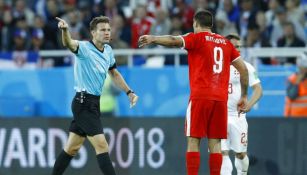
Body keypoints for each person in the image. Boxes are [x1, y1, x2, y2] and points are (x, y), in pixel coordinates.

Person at [138, 10, 249, 175]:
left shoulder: (196, 38)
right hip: (220, 99)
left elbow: (174, 40)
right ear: (211, 25)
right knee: (216, 143)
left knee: (193, 140)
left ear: (196, 24)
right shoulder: (226, 43)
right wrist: (244, 96)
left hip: (200, 97)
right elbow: (244, 70)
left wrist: (154, 38)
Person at [52, 16, 138, 175]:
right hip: (82, 103)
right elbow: (69, 43)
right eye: (102, 30)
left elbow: (114, 73)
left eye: (108, 29)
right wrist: (65, 31)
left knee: (71, 148)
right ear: (93, 32)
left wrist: (129, 92)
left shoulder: (108, 51)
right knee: (102, 146)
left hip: (93, 104)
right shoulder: (84, 48)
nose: (106, 33)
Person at [221, 34, 263, 175]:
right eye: (235, 46)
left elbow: (258, 89)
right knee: (223, 152)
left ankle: (243, 172)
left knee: (240, 154)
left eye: (239, 46)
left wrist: (250, 104)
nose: (238, 49)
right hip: (219, 115)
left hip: (238, 116)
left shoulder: (247, 67)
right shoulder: (216, 66)